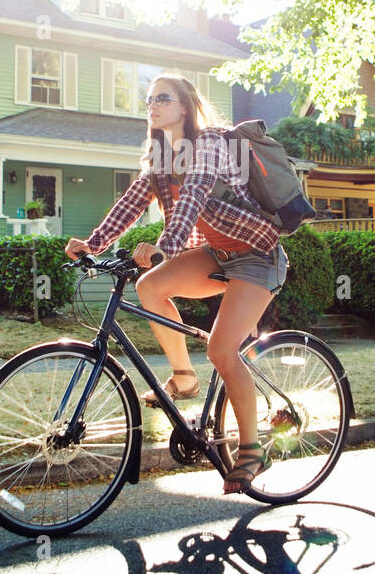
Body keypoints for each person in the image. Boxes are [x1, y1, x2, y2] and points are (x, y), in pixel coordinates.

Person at [64, 74, 290, 494]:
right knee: (150, 287)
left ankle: (252, 451)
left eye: (162, 98)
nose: (152, 105)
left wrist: (165, 245)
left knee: (221, 350)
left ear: (184, 106)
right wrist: (92, 243)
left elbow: (195, 196)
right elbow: (133, 199)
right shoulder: (159, 154)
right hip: (220, 256)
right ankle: (184, 379)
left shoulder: (210, 144)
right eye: (148, 100)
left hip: (257, 256)